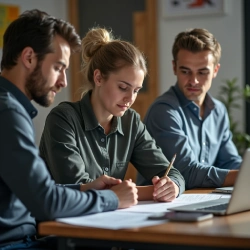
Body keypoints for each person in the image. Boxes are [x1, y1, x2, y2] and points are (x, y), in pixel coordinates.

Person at [0, 9, 138, 249]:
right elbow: (46, 202)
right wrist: (111, 199)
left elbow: (35, 190)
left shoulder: (10, 108)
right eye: (58, 67)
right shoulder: (8, 112)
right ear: (29, 57)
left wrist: (84, 188)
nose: (63, 81)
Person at [39, 27, 185, 203]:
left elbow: (171, 172)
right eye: (123, 88)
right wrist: (129, 193)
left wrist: (173, 186)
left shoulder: (131, 121)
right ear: (98, 78)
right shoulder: (63, 119)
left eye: (136, 90)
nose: (130, 98)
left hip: (111, 223)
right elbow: (77, 189)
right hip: (62, 226)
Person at [139, 28, 242, 190]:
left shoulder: (218, 110)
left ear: (215, 71)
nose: (193, 81)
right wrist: (243, 176)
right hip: (158, 206)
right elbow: (186, 172)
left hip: (200, 199)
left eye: (202, 72)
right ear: (174, 67)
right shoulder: (164, 110)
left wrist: (244, 172)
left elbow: (230, 161)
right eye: (185, 71)